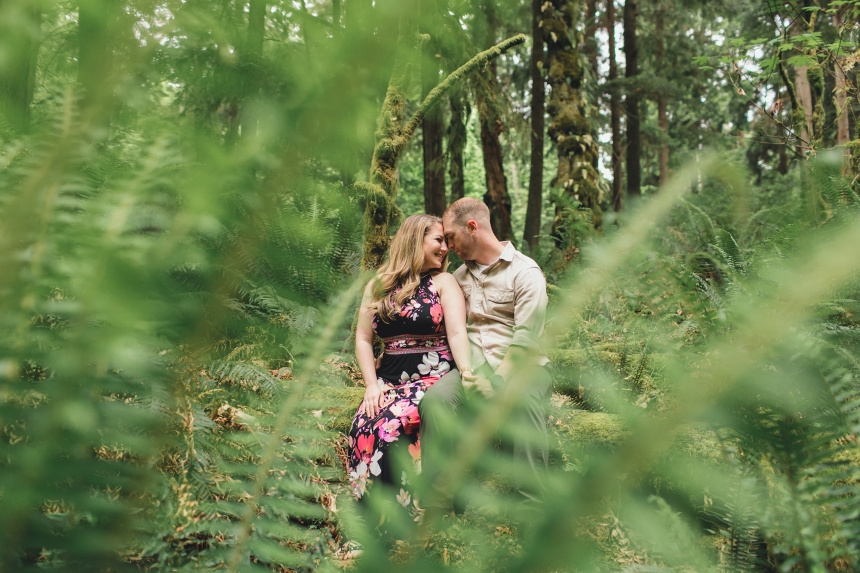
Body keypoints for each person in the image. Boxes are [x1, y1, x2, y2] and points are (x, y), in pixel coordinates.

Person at [420, 197, 551, 513]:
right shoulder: (459, 278)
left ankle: (532, 507)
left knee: (523, 400)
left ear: (472, 227)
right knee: (435, 402)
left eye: (451, 237)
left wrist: (497, 381)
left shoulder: (525, 272)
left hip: (524, 369)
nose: (448, 246)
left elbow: (525, 339)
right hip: (472, 370)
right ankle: (438, 508)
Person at [346, 214, 472, 526]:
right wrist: (372, 386)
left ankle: (406, 520)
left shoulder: (443, 283)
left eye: (446, 241)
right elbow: (363, 339)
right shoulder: (378, 285)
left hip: (433, 378)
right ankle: (368, 521)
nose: (445, 248)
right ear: (415, 240)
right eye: (438, 240)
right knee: (363, 427)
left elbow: (457, 333)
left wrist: (467, 373)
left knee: (392, 427)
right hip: (388, 380)